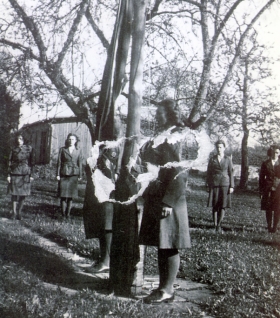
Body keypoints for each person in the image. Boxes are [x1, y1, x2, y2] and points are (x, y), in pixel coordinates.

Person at [135, 99, 190, 304]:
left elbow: (179, 171)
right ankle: (163, 288)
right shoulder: (164, 134)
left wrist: (168, 202)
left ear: (170, 113)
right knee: (161, 243)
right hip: (158, 195)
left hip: (170, 198)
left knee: (168, 243)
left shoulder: (176, 135)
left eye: (160, 112)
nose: (157, 116)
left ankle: (167, 289)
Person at [83, 144, 120, 273]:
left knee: (107, 227)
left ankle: (106, 261)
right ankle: (104, 259)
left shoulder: (111, 154)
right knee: (102, 227)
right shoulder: (101, 155)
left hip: (108, 196)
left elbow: (110, 175)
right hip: (100, 195)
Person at [206, 140, 234, 232]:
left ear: (224, 148)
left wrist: (232, 186)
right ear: (215, 148)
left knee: (222, 205)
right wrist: (207, 184)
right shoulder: (212, 159)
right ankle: (214, 224)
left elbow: (231, 173)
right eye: (217, 147)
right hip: (214, 184)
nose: (219, 149)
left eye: (221, 147)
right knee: (215, 204)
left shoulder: (228, 159)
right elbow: (209, 173)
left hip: (225, 184)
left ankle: (219, 225)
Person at [7, 133, 35, 220]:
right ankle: (14, 213)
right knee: (14, 194)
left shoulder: (29, 149)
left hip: (25, 174)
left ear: (24, 140)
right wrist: (8, 175)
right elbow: (9, 162)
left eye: (21, 139)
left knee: (23, 194)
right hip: (15, 173)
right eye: (18, 138)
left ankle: (19, 213)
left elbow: (32, 163)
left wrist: (31, 175)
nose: (19, 140)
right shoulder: (13, 149)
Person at [56, 133, 83, 219]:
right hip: (64, 173)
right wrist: (57, 174)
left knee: (70, 196)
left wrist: (80, 175)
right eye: (70, 139)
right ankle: (63, 214)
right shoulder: (63, 149)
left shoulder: (78, 150)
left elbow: (80, 164)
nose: (71, 141)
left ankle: (68, 214)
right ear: (67, 140)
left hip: (74, 174)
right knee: (63, 195)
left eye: (73, 139)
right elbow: (59, 163)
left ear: (76, 141)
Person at [259, 145, 280, 233]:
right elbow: (261, 177)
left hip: (279, 188)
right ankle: (269, 226)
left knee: (277, 208)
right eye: (273, 152)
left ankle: (274, 227)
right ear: (270, 153)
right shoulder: (265, 163)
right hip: (267, 188)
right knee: (268, 208)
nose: (275, 154)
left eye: (277, 153)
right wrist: (261, 190)